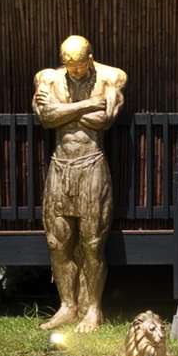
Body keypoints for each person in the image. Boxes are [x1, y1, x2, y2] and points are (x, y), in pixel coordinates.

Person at [30, 33, 126, 331]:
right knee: (56, 242)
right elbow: (47, 118)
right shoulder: (47, 78)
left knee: (93, 243)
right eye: (70, 66)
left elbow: (104, 120)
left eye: (81, 65)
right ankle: (67, 306)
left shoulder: (112, 77)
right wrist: (89, 104)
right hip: (60, 166)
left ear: (90, 58)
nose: (75, 71)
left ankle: (93, 309)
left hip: (91, 164)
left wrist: (64, 111)